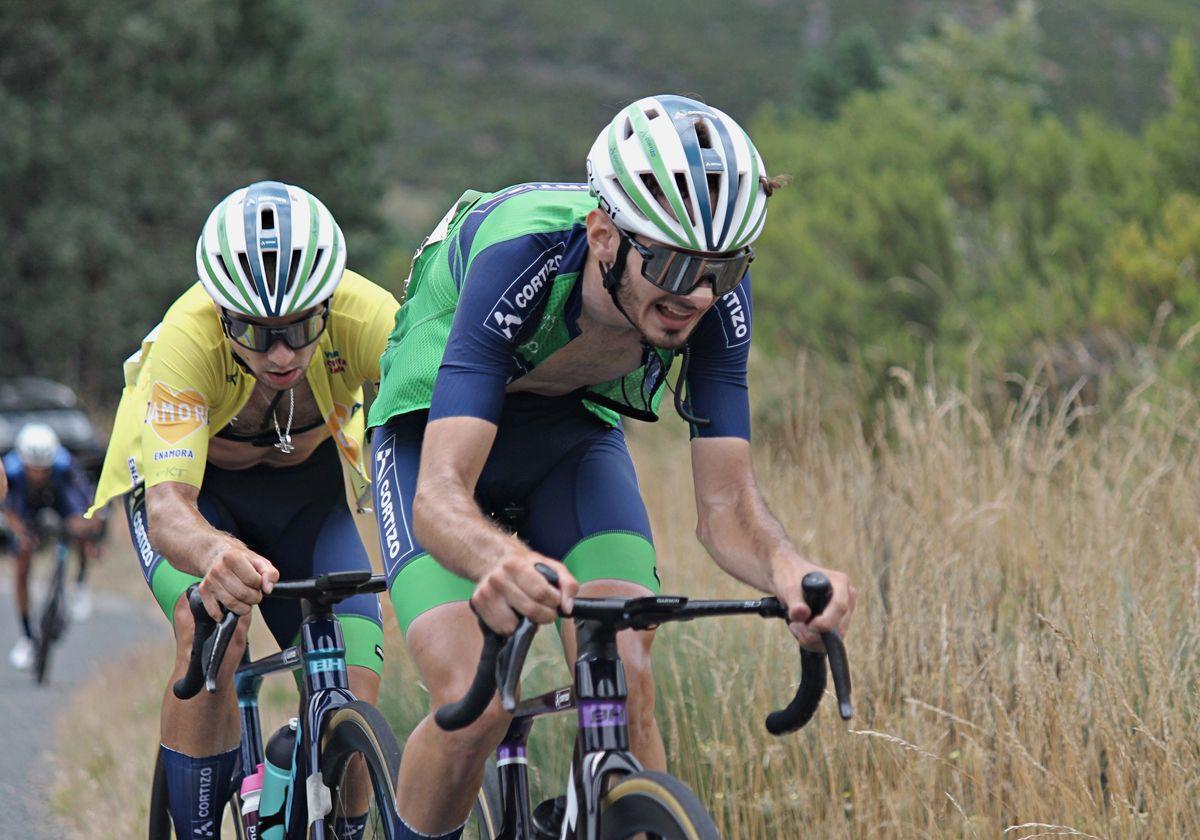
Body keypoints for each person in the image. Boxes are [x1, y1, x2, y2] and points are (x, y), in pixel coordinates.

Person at [368, 94, 858, 839]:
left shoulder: (715, 300)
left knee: (625, 674)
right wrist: (501, 558)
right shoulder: (521, 260)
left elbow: (726, 507)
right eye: (670, 262)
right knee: (477, 697)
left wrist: (789, 571)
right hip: (431, 435)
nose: (695, 292)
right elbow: (439, 499)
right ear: (604, 235)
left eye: (721, 269)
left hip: (569, 436)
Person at [86, 181, 400, 839]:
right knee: (211, 636)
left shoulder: (367, 313)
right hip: (202, 501)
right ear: (224, 316)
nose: (281, 355)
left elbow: (445, 406)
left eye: (301, 330)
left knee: (358, 685)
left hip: (306, 498)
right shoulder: (186, 337)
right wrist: (215, 553)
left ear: (328, 304)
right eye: (257, 335)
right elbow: (171, 508)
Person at [4, 422, 99, 669]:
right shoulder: (11, 469)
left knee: (80, 528)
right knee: (22, 561)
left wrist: (88, 526)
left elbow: (84, 501)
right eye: (32, 469)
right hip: (25, 506)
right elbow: (9, 509)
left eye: (43, 469)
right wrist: (22, 534)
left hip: (59, 499)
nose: (38, 474)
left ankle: (79, 584)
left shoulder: (64, 465)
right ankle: (27, 637)